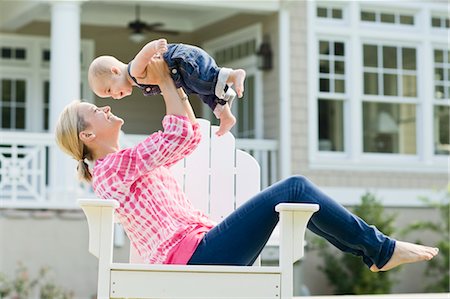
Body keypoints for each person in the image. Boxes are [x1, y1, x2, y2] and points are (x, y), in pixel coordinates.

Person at [56, 56, 438, 271]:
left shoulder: (129, 164)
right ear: (86, 136)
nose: (106, 106)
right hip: (195, 259)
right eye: (95, 108)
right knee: (294, 189)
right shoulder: (111, 170)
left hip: (202, 249)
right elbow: (175, 135)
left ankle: (376, 253)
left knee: (296, 194)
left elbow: (187, 136)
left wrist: (172, 80)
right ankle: (380, 250)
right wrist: (165, 84)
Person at [88, 38, 246, 136]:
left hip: (184, 61)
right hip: (183, 77)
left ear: (115, 72)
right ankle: (225, 116)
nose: (114, 96)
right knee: (205, 93)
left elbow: (143, 54)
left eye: (109, 91)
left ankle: (233, 75)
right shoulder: (138, 81)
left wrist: (155, 46)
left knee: (204, 82)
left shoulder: (134, 71)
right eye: (110, 97)